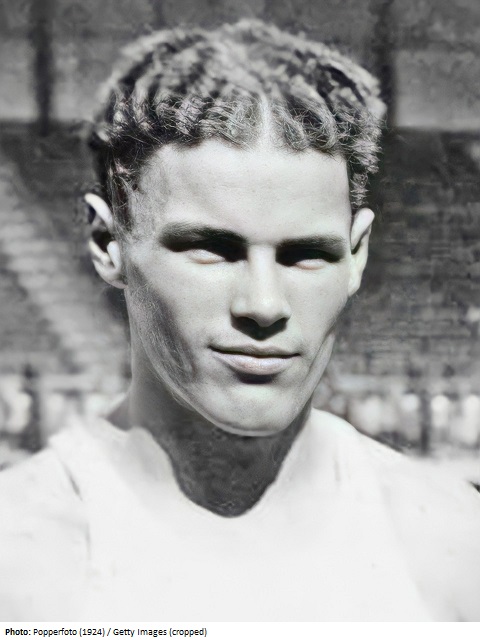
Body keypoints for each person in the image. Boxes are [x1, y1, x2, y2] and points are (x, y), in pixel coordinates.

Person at [1, 19, 479, 622]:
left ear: (357, 255)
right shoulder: (21, 564)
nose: (264, 304)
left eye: (306, 255)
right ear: (107, 242)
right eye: (212, 249)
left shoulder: (454, 550)